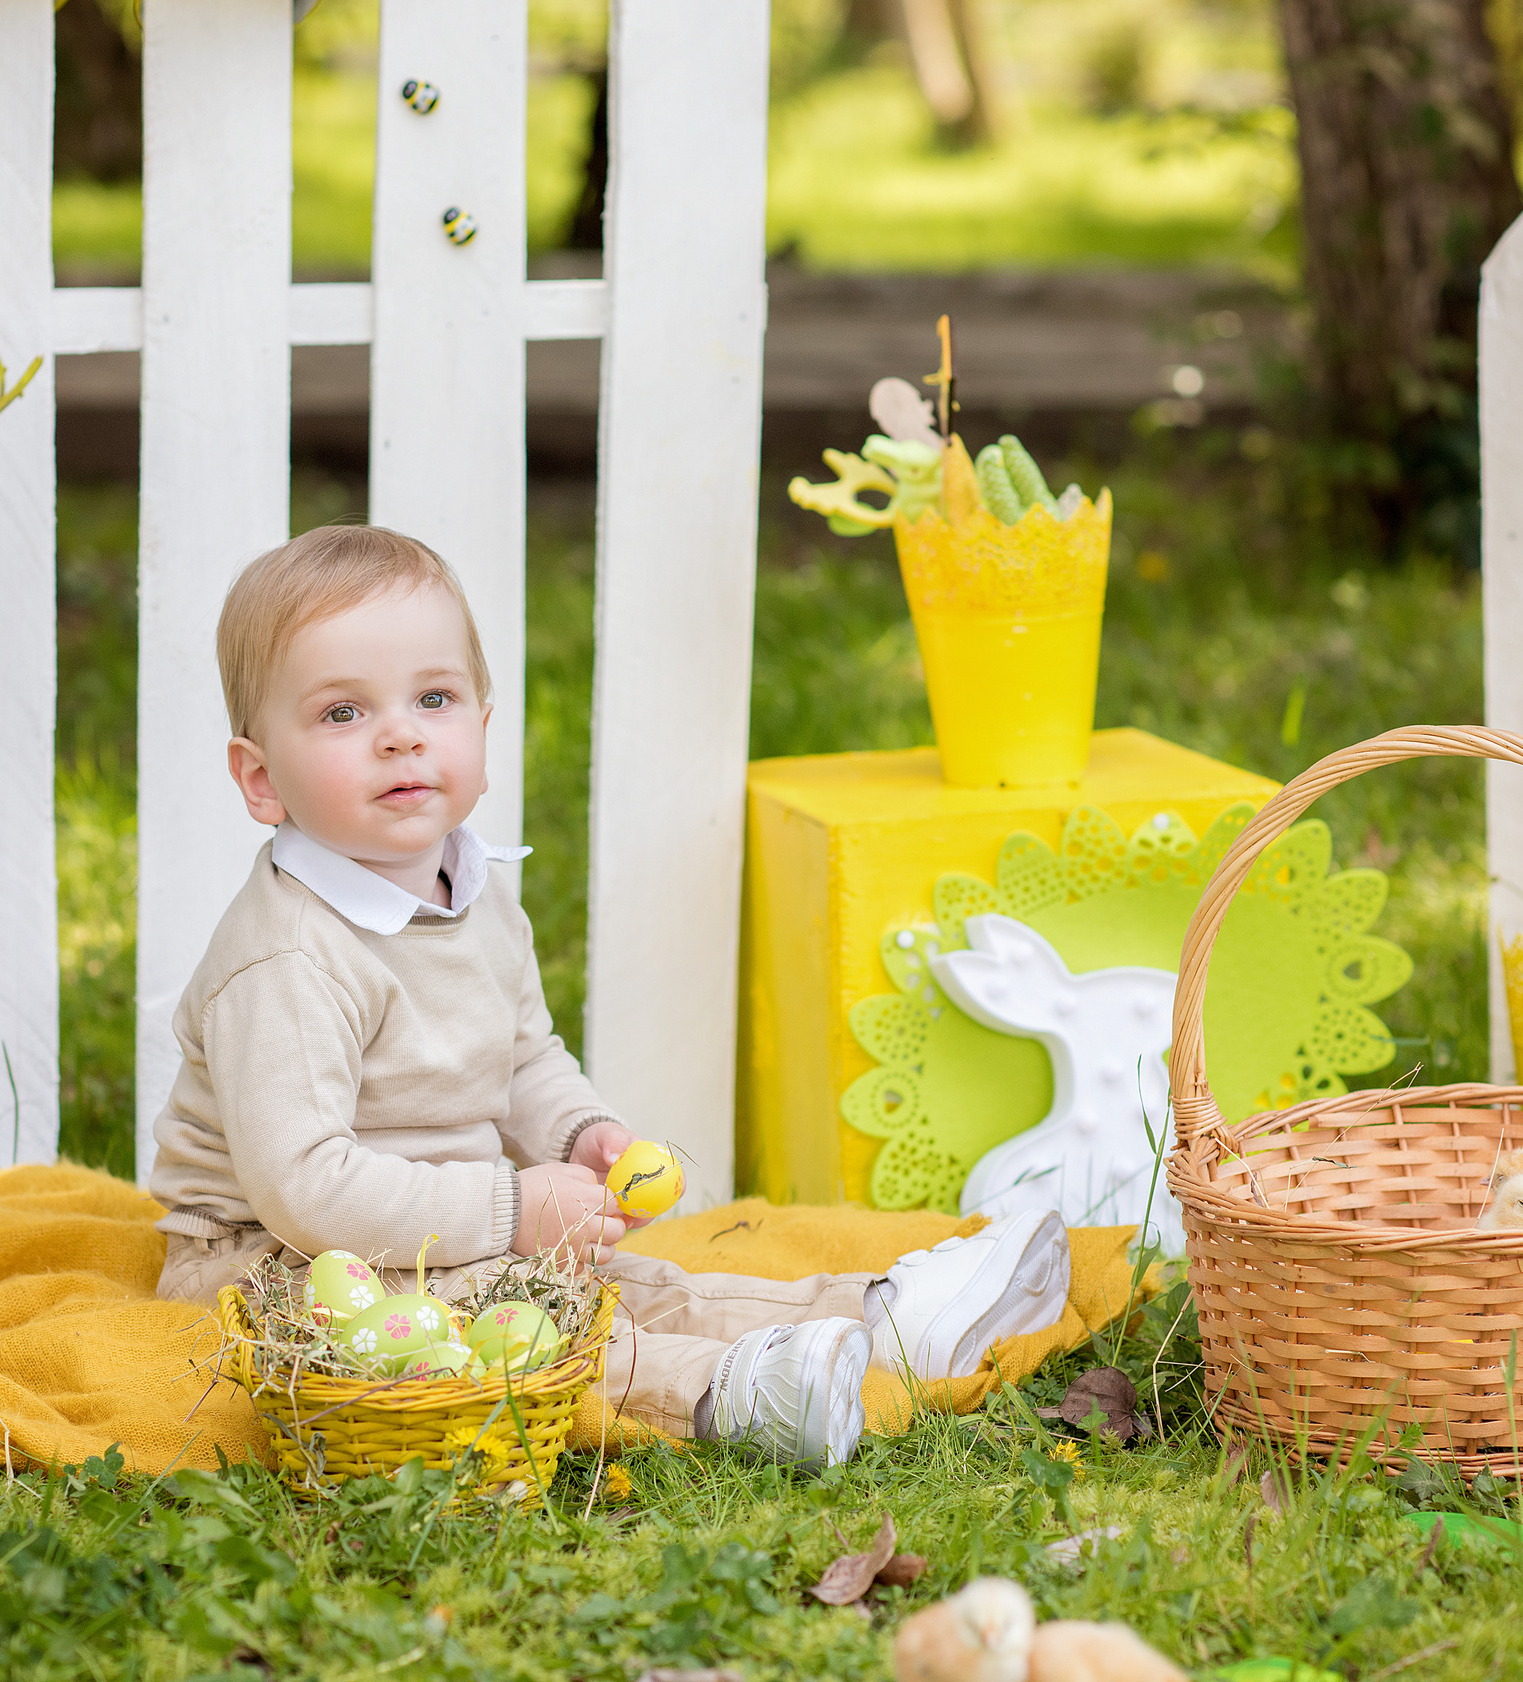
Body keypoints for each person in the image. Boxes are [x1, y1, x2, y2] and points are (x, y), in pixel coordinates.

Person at [148, 524, 1069, 1468]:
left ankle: (886, 1318)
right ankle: (729, 1394)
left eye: (434, 697)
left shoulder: (471, 892)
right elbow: (306, 1188)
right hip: (277, 1263)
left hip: (441, 1225)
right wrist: (510, 1210)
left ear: (482, 728)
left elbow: (520, 1058)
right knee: (510, 1337)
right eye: (343, 713)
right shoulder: (288, 959)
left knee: (626, 1279)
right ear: (262, 779)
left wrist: (578, 1136)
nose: (401, 732)